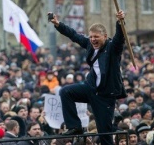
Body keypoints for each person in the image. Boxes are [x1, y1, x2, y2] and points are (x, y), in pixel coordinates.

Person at [48, 10, 127, 145]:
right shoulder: (89, 45)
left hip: (105, 95)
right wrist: (58, 24)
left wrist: (120, 22)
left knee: (104, 133)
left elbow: (120, 38)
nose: (93, 40)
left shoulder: (113, 48)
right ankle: (75, 126)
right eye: (91, 37)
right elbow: (73, 35)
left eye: (96, 37)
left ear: (105, 36)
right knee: (65, 92)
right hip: (90, 88)